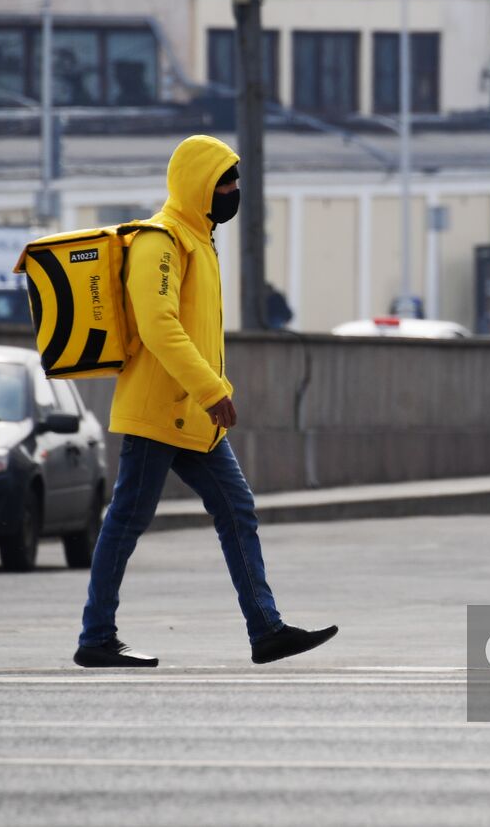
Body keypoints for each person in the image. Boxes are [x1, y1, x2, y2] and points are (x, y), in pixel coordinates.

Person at [74, 135, 337, 668]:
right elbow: (157, 325)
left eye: (236, 181)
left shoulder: (199, 239)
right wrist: (213, 390)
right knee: (127, 519)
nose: (234, 191)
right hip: (158, 411)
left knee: (235, 509)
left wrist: (205, 398)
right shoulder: (162, 241)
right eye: (225, 182)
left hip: (191, 415)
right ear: (199, 184)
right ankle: (95, 637)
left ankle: (266, 629)